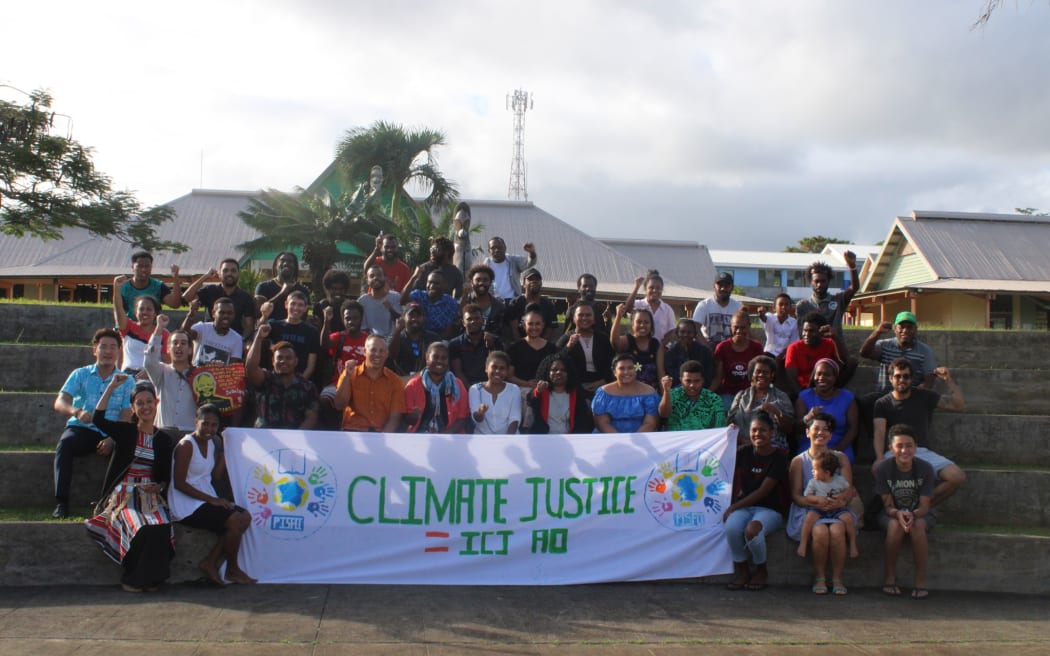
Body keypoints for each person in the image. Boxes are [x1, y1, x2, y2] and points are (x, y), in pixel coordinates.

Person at [85, 375, 175, 592]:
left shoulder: (164, 440)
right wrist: (111, 387)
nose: (146, 407)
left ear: (157, 404)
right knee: (140, 527)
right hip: (123, 495)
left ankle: (152, 579)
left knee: (161, 526)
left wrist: (160, 486)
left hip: (150, 496)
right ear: (133, 408)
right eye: (140, 403)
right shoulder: (126, 432)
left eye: (149, 402)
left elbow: (165, 476)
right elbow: (97, 419)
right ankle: (132, 579)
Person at [52, 328, 136, 518]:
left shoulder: (127, 380)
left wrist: (113, 439)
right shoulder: (80, 374)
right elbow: (59, 402)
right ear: (94, 350)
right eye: (103, 347)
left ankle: (112, 503)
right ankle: (61, 502)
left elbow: (126, 413)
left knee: (127, 448)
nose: (108, 351)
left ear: (119, 351)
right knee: (65, 444)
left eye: (113, 347)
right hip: (83, 428)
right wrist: (76, 411)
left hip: (111, 431)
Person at [169, 404, 256, 586]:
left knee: (245, 517)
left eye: (214, 425)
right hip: (186, 505)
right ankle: (232, 569)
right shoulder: (186, 445)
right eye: (205, 424)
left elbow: (214, 475)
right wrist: (212, 500)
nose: (209, 429)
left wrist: (227, 451)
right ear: (196, 422)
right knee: (233, 520)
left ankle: (210, 562)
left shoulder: (211, 444)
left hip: (205, 498)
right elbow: (179, 483)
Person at [872, 358, 966, 506]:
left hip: (921, 451)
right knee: (877, 468)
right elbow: (879, 431)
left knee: (957, 476)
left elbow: (958, 405)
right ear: (891, 378)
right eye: (898, 376)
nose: (902, 380)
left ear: (911, 379)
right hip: (896, 452)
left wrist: (948, 380)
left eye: (906, 376)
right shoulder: (883, 403)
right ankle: (895, 511)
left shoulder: (924, 395)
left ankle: (919, 507)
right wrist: (878, 457)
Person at [787, 413, 855, 596]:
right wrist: (815, 501)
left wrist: (837, 503)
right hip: (808, 509)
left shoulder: (841, 458)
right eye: (816, 428)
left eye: (826, 430)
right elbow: (796, 496)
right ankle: (820, 577)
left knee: (837, 530)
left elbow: (848, 490)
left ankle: (838, 578)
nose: (821, 433)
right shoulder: (799, 461)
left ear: (831, 435)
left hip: (837, 508)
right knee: (820, 531)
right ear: (807, 432)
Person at [723, 412, 788, 592]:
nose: (758, 434)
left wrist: (733, 507)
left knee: (752, 530)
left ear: (772, 433)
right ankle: (742, 570)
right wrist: (727, 436)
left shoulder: (780, 457)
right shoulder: (743, 453)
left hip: (770, 509)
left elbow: (763, 491)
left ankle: (761, 570)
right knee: (731, 527)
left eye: (763, 430)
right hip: (745, 507)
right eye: (754, 430)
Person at [875, 424, 936, 599]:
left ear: (916, 447)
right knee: (895, 527)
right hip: (892, 513)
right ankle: (890, 576)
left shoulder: (925, 469)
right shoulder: (884, 469)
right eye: (899, 446)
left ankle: (920, 579)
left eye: (909, 445)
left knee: (917, 526)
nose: (904, 450)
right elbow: (887, 505)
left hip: (920, 513)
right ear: (891, 449)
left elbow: (925, 506)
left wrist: (912, 514)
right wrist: (898, 514)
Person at [245, 325, 319, 430]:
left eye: (288, 358)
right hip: (264, 435)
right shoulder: (265, 379)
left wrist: (295, 438)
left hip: (295, 438)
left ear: (296, 361)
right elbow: (250, 368)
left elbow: (311, 418)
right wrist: (259, 338)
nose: (283, 361)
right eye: (279, 358)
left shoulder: (307, 387)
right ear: (273, 361)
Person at [335, 334, 405, 432]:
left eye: (382, 351)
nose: (377, 354)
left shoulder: (395, 381)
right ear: (364, 352)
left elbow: (395, 418)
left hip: (381, 434)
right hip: (353, 430)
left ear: (387, 354)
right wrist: (347, 376)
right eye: (373, 350)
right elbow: (339, 405)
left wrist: (381, 441)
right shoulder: (350, 374)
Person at [796, 450, 859, 560]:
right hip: (820, 509)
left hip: (837, 509)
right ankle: (803, 543)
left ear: (827, 472)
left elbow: (848, 489)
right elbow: (807, 496)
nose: (812, 471)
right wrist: (817, 499)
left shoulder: (839, 480)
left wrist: (841, 496)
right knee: (809, 517)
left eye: (815, 469)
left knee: (848, 518)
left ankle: (853, 544)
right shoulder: (813, 482)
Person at [859, 312, 939, 395]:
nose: (905, 331)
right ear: (895, 329)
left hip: (910, 399)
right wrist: (877, 332)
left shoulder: (925, 351)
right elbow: (864, 353)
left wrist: (915, 397)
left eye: (909, 327)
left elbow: (929, 380)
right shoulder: (884, 345)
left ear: (915, 330)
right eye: (901, 327)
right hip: (883, 396)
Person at [795, 358, 858, 462]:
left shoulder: (847, 397)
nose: (821, 378)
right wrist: (808, 418)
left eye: (827, 375)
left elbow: (853, 428)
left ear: (835, 377)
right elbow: (796, 428)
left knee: (842, 460)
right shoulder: (804, 397)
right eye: (818, 374)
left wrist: (837, 449)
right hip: (811, 444)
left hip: (840, 443)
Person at [143, 316, 197, 435]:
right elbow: (149, 360)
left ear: (189, 350)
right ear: (168, 349)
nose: (179, 346)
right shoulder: (162, 371)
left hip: (190, 433)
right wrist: (159, 329)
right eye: (175, 343)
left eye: (183, 343)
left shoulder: (199, 374)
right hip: (163, 432)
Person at [318, 300, 368, 427]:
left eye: (355, 318)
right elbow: (324, 344)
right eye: (348, 318)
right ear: (343, 319)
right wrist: (327, 321)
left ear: (361, 318)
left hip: (364, 384)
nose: (351, 321)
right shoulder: (339, 337)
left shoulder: (369, 339)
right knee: (324, 400)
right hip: (338, 383)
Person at [728, 355, 794, 451]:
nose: (761, 375)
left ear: (772, 375)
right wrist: (743, 441)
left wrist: (776, 412)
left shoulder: (781, 397)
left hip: (772, 450)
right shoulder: (741, 396)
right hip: (742, 448)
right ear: (752, 375)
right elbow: (730, 423)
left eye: (765, 372)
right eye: (758, 372)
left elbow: (789, 429)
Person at [404, 342, 470, 433]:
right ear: (427, 358)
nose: (439, 361)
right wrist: (412, 417)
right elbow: (406, 421)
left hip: (450, 437)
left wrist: (444, 437)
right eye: (435, 357)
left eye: (444, 358)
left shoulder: (457, 385)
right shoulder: (413, 385)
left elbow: (462, 418)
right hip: (419, 438)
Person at [181, 259, 257, 338]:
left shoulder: (245, 297)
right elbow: (186, 298)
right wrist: (205, 276)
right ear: (219, 274)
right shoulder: (210, 290)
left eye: (233, 271)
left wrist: (241, 342)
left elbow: (249, 325)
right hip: (208, 337)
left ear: (238, 274)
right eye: (225, 270)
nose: (229, 273)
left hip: (233, 339)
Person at [527, 352, 595, 434]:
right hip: (544, 439)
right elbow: (531, 400)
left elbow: (582, 423)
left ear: (569, 373)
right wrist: (537, 392)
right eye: (554, 369)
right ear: (548, 372)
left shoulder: (575, 394)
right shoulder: (541, 391)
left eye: (563, 370)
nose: (559, 372)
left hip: (570, 439)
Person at [592, 353, 660, 433]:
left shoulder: (649, 392)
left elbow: (650, 423)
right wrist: (622, 441)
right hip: (610, 438)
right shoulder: (603, 393)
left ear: (636, 370)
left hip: (642, 438)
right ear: (614, 372)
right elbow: (602, 424)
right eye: (621, 368)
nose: (626, 372)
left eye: (630, 368)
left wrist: (635, 441)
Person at [557, 302, 614, 397]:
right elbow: (555, 360)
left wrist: (604, 381)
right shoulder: (566, 338)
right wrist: (568, 347)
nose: (584, 318)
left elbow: (613, 362)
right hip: (575, 386)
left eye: (588, 315)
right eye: (580, 315)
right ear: (574, 318)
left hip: (602, 384)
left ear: (594, 319)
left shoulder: (603, 339)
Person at [711, 310, 764, 412]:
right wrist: (705, 395)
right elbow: (718, 377)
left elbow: (759, 375)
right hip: (728, 393)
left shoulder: (756, 347)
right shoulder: (722, 347)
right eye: (736, 327)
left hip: (750, 392)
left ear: (749, 326)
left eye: (743, 327)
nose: (739, 331)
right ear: (731, 327)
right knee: (724, 410)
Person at [261, 292, 319, 380]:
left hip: (299, 380)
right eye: (293, 304)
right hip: (275, 379)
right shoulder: (274, 326)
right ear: (286, 304)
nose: (296, 308)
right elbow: (257, 335)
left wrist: (299, 384)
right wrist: (264, 316)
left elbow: (310, 366)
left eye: (300, 305)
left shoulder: (311, 331)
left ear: (305, 308)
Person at [784, 312, 843, 396]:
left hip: (826, 386)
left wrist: (835, 338)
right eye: (805, 330)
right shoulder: (794, 348)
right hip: (804, 389)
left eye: (811, 331)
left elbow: (844, 362)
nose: (806, 334)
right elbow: (792, 379)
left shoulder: (830, 343)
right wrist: (804, 397)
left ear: (821, 331)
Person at [113, 286, 168, 375]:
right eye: (141, 309)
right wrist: (117, 289)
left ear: (155, 313)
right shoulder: (128, 327)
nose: (145, 312)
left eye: (149, 309)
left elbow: (166, 361)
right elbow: (118, 310)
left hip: (152, 377)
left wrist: (150, 372)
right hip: (128, 376)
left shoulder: (164, 333)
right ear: (135, 312)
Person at [658, 360, 725, 431]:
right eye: (688, 381)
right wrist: (666, 391)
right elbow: (663, 414)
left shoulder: (714, 399)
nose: (692, 385)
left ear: (702, 380)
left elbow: (720, 428)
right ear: (681, 380)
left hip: (703, 441)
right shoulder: (672, 394)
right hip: (676, 440)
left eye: (696, 381)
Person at [449, 303, 504, 387]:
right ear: (463, 322)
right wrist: (471, 390)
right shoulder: (455, 344)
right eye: (469, 319)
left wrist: (491, 347)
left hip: (490, 386)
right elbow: (458, 372)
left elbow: (498, 369)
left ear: (483, 320)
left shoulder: (494, 340)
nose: (473, 321)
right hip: (465, 387)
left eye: (477, 318)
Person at [468, 351, 522, 434]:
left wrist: (506, 441)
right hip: (482, 440)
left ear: (507, 371)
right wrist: (480, 413)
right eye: (494, 367)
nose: (497, 371)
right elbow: (476, 419)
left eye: (502, 368)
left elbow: (514, 419)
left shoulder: (514, 389)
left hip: (509, 439)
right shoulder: (475, 389)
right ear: (486, 368)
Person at [119, 251, 182, 320]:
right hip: (130, 327)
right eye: (140, 266)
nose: (143, 270)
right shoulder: (123, 287)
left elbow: (175, 304)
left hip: (153, 329)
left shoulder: (158, 286)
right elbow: (118, 311)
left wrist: (175, 277)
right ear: (132, 267)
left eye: (147, 266)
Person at [182, 297, 243, 366]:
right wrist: (191, 313)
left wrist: (222, 368)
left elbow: (233, 367)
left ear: (234, 315)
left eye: (229, 313)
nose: (226, 316)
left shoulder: (237, 339)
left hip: (220, 375)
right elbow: (184, 335)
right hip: (197, 374)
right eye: (222, 312)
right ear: (213, 313)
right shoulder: (202, 328)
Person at [610, 305, 660, 388]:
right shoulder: (627, 341)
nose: (642, 325)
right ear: (632, 325)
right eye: (639, 322)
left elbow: (660, 371)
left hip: (651, 392)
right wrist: (618, 316)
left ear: (651, 325)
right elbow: (614, 341)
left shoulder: (655, 343)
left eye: (646, 322)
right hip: (629, 391)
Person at [507, 310, 557, 390]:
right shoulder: (515, 348)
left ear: (543, 325)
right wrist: (527, 384)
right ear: (524, 325)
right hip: (521, 391)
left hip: (546, 391)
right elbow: (509, 376)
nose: (534, 327)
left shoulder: (552, 348)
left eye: (537, 324)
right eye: (530, 324)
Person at [504, 268, 559, 341]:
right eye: (530, 279)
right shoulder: (515, 303)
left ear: (541, 283)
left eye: (537, 279)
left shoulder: (548, 305)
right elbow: (514, 330)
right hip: (519, 346)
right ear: (524, 283)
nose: (534, 281)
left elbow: (550, 330)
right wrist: (523, 347)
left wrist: (539, 346)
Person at [657, 318, 714, 388]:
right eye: (682, 332)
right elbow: (671, 376)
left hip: (700, 388)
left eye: (689, 332)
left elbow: (708, 375)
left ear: (695, 334)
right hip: (679, 389)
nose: (686, 335)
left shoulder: (704, 352)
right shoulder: (671, 353)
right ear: (677, 334)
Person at [402, 269, 460, 337]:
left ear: (444, 285)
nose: (431, 286)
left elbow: (449, 328)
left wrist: (437, 342)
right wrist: (414, 277)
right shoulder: (419, 295)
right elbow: (402, 300)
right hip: (418, 338)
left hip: (440, 339)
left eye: (436, 283)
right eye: (429, 282)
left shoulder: (450, 302)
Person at [254, 251, 310, 322]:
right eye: (282, 260)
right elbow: (258, 313)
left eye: (290, 261)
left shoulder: (303, 290)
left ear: (295, 267)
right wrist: (281, 293)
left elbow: (304, 317)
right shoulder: (263, 287)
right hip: (269, 330)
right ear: (276, 265)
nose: (286, 263)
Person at [388, 304, 441, 378]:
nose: (414, 319)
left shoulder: (433, 338)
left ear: (423, 318)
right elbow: (391, 356)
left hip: (426, 380)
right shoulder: (395, 337)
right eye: (411, 315)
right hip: (401, 381)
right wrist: (398, 330)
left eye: (418, 316)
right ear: (403, 317)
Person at [624, 271, 677, 343]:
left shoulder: (667, 309)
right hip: (638, 348)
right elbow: (627, 309)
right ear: (645, 289)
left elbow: (672, 331)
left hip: (660, 349)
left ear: (662, 290)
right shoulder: (638, 304)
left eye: (658, 288)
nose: (655, 290)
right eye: (651, 287)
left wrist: (661, 346)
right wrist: (636, 287)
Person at [692, 271, 741, 346]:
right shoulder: (704, 305)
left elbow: (745, 330)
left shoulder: (738, 306)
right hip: (709, 346)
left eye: (727, 285)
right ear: (714, 286)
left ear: (732, 287)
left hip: (732, 348)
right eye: (720, 285)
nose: (723, 288)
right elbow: (695, 329)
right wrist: (707, 348)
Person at [483, 235, 537, 302]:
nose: (496, 250)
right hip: (494, 303)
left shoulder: (513, 261)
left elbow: (530, 263)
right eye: (493, 248)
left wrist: (532, 252)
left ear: (505, 248)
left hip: (513, 302)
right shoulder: (485, 265)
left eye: (499, 247)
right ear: (489, 250)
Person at [411, 236, 464, 300]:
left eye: (436, 249)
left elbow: (458, 297)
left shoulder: (455, 273)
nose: (432, 252)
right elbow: (414, 295)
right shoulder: (423, 269)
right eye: (431, 249)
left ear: (446, 252)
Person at [358, 264, 402, 339]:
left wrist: (391, 309)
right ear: (367, 280)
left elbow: (401, 321)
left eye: (379, 275)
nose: (376, 278)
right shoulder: (362, 301)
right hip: (371, 341)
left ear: (385, 278)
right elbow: (363, 328)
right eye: (372, 276)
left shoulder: (396, 297)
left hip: (393, 341)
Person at [460, 264, 507, 335]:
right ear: (471, 282)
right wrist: (464, 296)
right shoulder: (466, 301)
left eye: (485, 280)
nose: (481, 283)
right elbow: (459, 318)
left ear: (490, 282)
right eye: (478, 280)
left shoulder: (499, 306)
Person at [311, 269, 352, 333]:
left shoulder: (350, 307)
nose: (337, 292)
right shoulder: (319, 307)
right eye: (334, 288)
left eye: (341, 289)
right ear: (327, 289)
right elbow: (316, 331)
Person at [758, 293, 796, 359]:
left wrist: (780, 356)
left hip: (786, 356)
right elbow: (764, 318)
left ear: (790, 307)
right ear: (774, 308)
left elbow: (792, 344)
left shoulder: (794, 323)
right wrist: (761, 314)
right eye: (780, 304)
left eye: (786, 304)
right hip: (769, 354)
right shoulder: (770, 317)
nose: (783, 307)